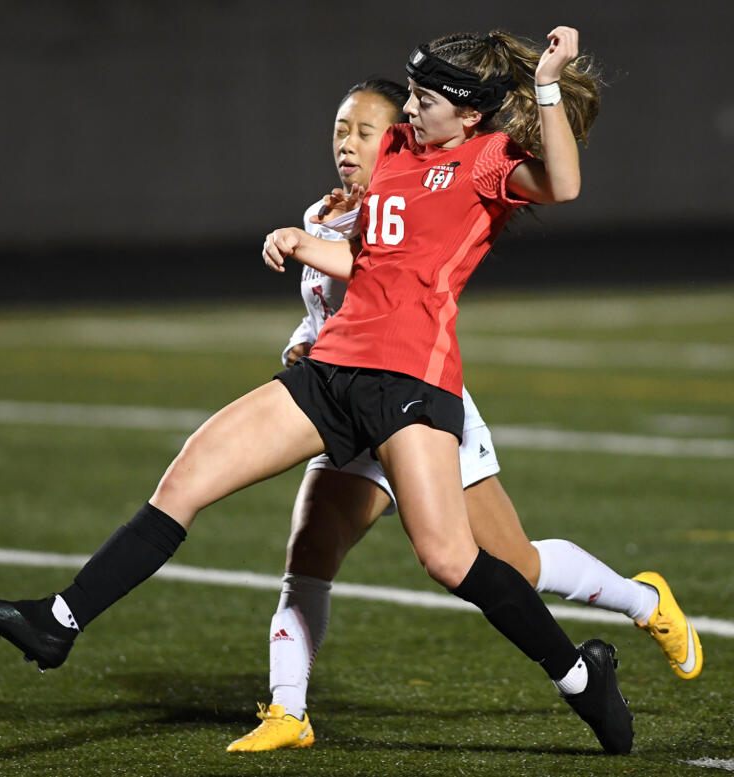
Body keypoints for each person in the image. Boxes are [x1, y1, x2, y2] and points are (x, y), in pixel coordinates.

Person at [0, 26, 635, 754]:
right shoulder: (400, 151)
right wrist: (303, 240)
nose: (408, 108)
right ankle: (58, 620)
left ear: (468, 114)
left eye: (424, 98)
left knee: (447, 557)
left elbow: (563, 184)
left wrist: (549, 86)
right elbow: (374, 259)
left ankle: (577, 675)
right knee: (190, 471)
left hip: (410, 378)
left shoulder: (485, 160)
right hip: (330, 366)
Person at [225, 78, 702, 753]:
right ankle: (287, 710)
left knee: (513, 561)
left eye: (365, 131)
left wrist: (306, 246)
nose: (347, 144)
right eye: (340, 129)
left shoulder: (415, 199)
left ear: (400, 139)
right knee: (309, 555)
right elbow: (328, 315)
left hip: (422, 405)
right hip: (346, 410)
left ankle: (641, 600)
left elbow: (386, 279)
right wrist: (301, 342)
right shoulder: (322, 212)